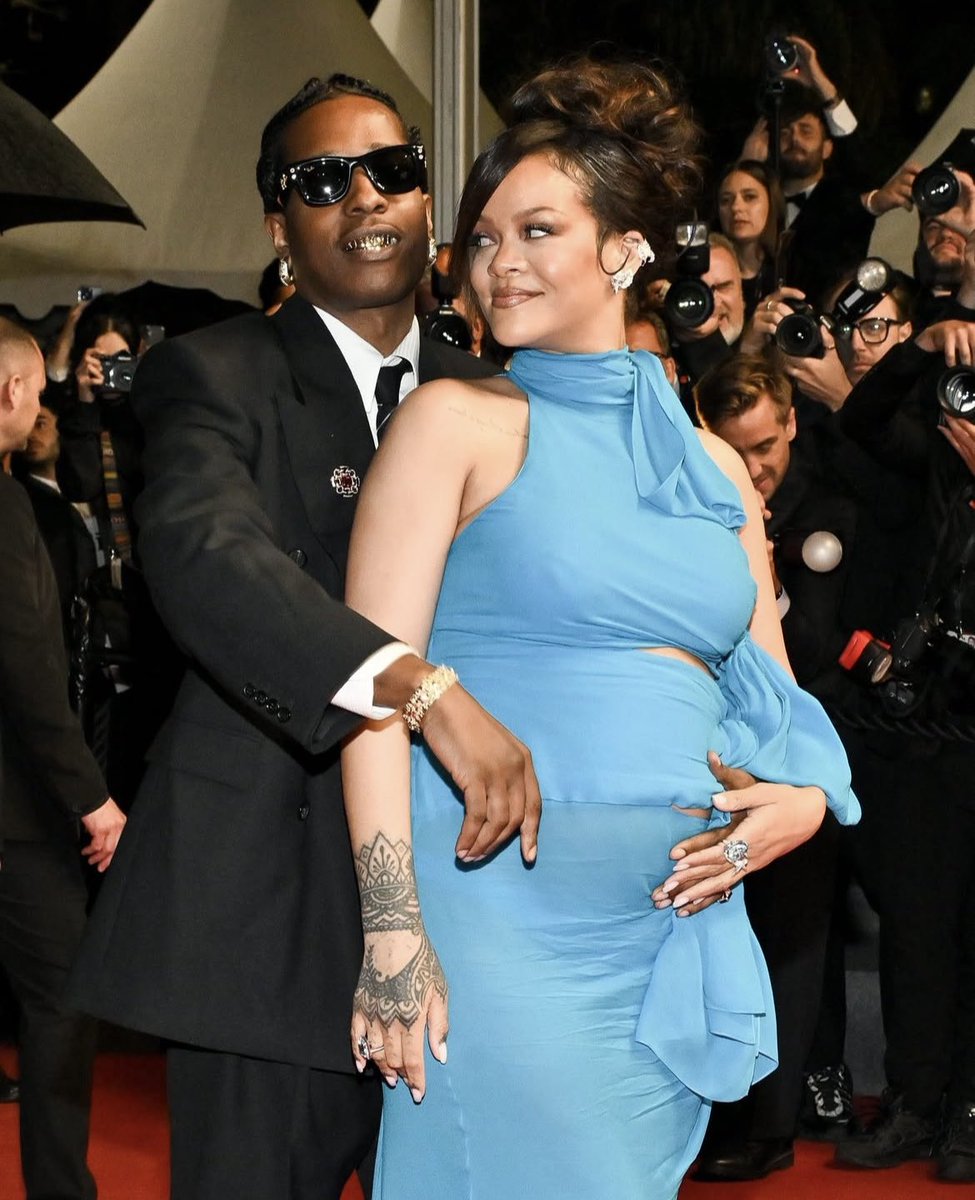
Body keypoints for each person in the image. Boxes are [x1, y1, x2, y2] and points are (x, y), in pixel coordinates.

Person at [340, 58, 858, 1200]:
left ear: (626, 249)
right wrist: (389, 937)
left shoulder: (718, 466)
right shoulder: (452, 423)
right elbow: (370, 684)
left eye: (535, 230)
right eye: (482, 239)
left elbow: (769, 693)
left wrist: (802, 804)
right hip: (493, 925)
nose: (499, 263)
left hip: (665, 931)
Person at [67, 73, 539, 1200]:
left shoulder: (501, 398)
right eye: (320, 182)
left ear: (431, 198)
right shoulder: (215, 372)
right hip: (261, 914)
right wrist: (421, 690)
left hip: (476, 906)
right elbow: (205, 558)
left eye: (391, 168)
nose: (364, 197)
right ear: (280, 228)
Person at [693, 354, 857, 1180]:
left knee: (793, 944)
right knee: (718, 934)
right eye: (734, 448)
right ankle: (717, 1114)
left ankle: (771, 1124)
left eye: (764, 446)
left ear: (792, 422)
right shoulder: (696, 505)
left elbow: (824, 652)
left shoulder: (828, 510)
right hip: (711, 760)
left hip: (806, 759)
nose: (753, 466)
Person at [0, 316, 126, 1200]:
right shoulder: (5, 506)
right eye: (36, 387)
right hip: (18, 815)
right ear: (10, 390)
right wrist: (92, 797)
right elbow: (28, 666)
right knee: (61, 1000)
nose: (43, 401)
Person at [716, 160, 785, 317]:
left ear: (772, 202)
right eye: (726, 200)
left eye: (749, 197)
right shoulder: (707, 273)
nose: (736, 207)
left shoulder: (789, 268)